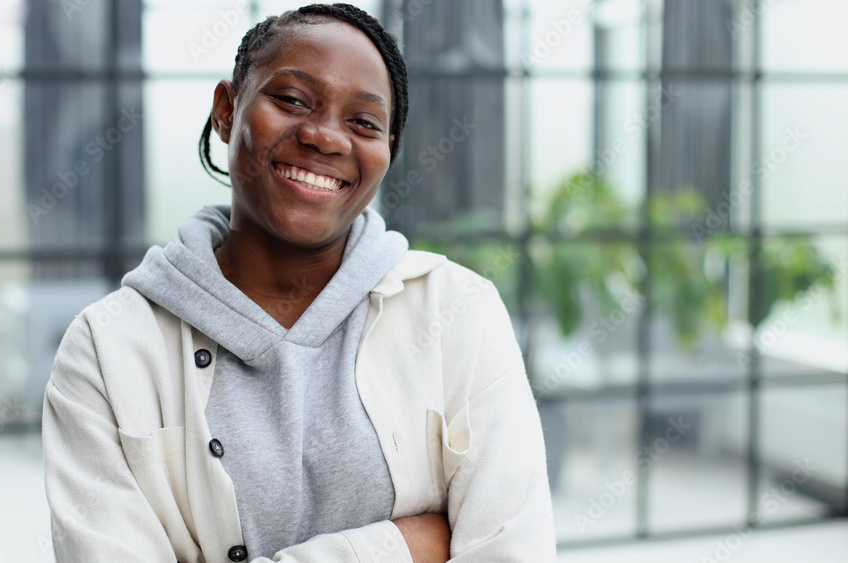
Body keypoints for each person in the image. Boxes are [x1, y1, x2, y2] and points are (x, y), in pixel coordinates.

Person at [41, 3, 555, 562]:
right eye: (291, 100)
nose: (324, 137)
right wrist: (396, 548)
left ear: (387, 155)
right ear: (226, 110)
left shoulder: (458, 313)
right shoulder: (107, 349)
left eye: (364, 123)